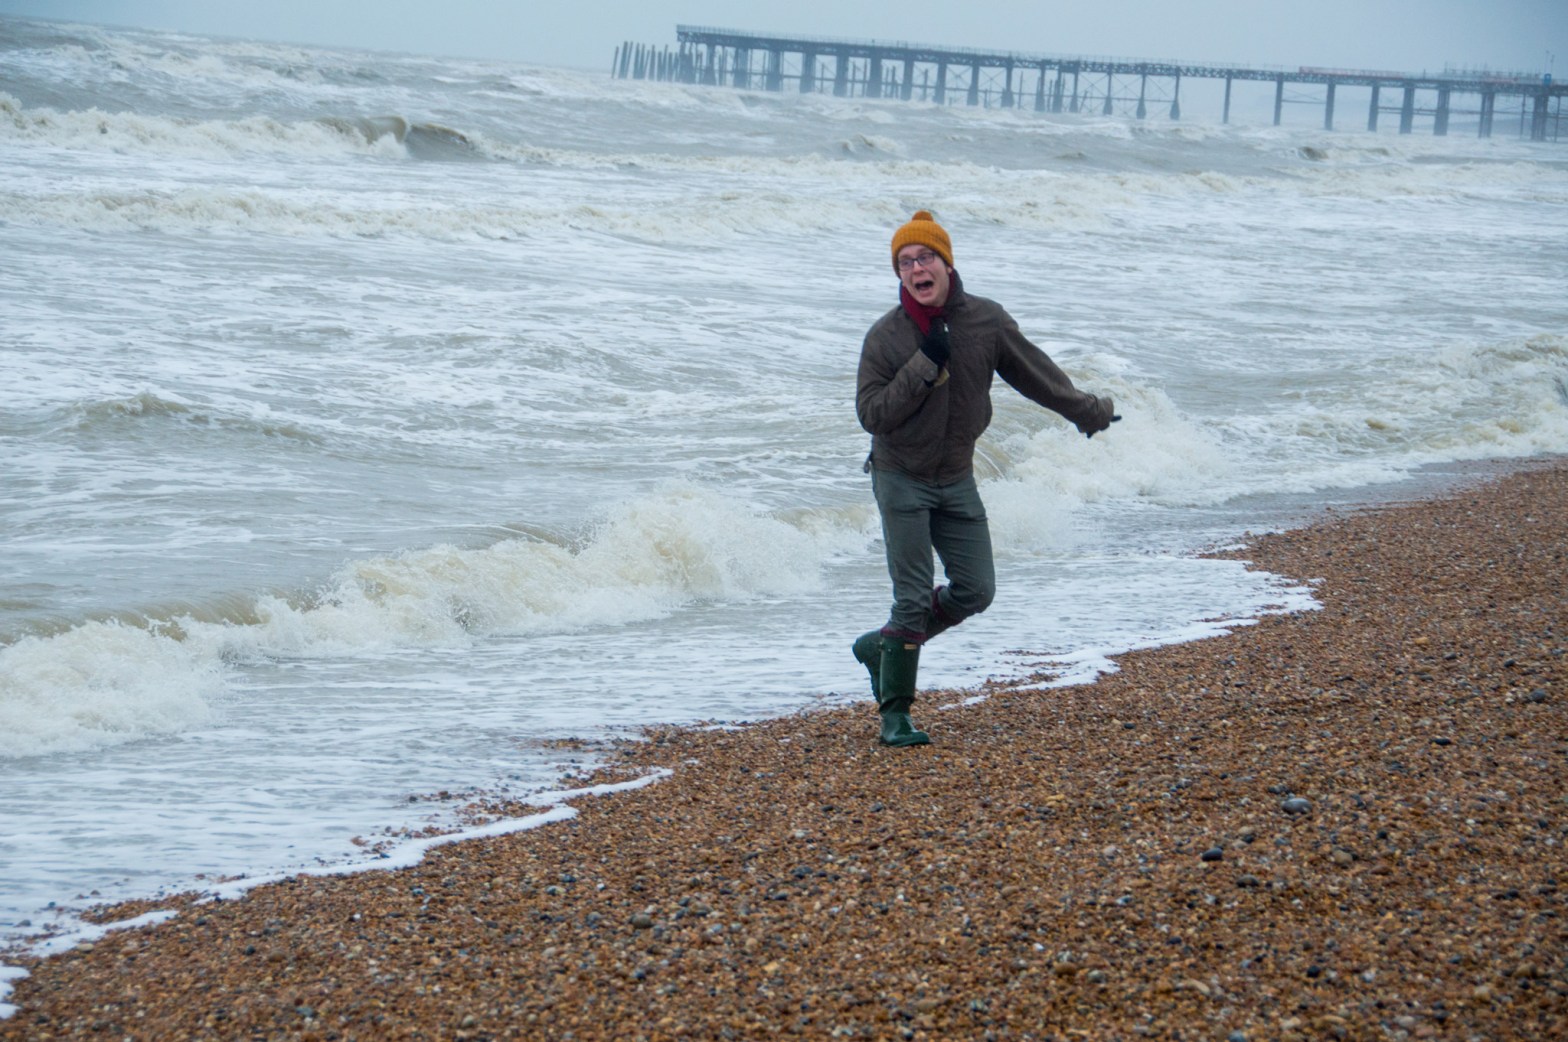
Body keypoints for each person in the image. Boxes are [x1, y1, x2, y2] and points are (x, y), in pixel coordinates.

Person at [853, 210, 1118, 747]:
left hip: (955, 476)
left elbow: (1035, 376)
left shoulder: (986, 322)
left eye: (924, 257)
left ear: (946, 263)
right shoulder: (885, 337)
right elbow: (872, 415)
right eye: (904, 263)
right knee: (911, 597)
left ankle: (881, 648)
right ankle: (895, 714)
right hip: (899, 475)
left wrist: (1086, 411)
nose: (915, 269)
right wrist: (924, 364)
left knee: (976, 590)